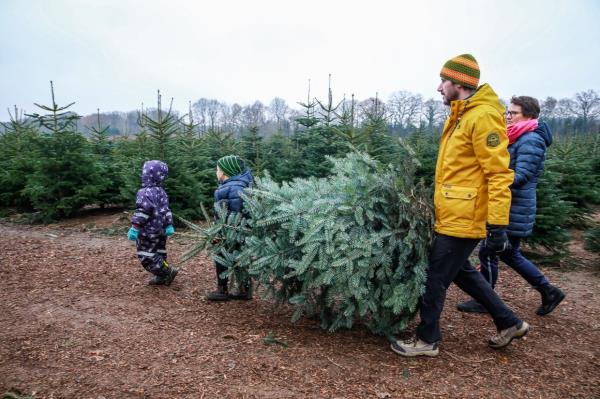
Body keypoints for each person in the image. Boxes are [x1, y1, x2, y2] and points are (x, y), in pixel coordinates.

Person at [391, 54, 529, 357]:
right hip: (455, 212)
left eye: (444, 81)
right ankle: (509, 322)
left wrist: (497, 224)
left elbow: (498, 174)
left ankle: (427, 340)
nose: (439, 88)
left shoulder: (482, 117)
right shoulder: (462, 113)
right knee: (460, 271)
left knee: (436, 276)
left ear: (460, 84)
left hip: (465, 217)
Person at [457, 96, 565, 315]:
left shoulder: (531, 140)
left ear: (529, 115)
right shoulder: (518, 137)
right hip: (510, 204)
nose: (508, 116)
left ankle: (485, 300)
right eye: (508, 112)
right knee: (507, 253)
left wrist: (493, 177)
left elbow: (522, 175)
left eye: (513, 113)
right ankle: (548, 290)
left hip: (514, 207)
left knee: (490, 251)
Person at [206, 155, 254, 301]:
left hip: (230, 232)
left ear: (226, 172)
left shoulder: (233, 188)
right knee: (241, 260)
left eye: (218, 170)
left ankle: (222, 290)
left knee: (221, 258)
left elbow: (235, 212)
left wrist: (220, 232)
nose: (216, 172)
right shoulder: (239, 185)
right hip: (238, 232)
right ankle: (244, 289)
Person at [127, 160, 178, 286]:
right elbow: (166, 210)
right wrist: (169, 224)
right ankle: (161, 277)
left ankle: (166, 271)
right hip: (160, 231)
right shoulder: (162, 192)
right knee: (159, 252)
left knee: (147, 255)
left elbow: (142, 212)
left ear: (147, 174)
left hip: (147, 232)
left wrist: (134, 227)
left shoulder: (144, 192)